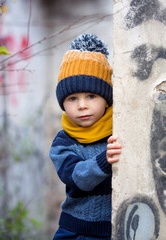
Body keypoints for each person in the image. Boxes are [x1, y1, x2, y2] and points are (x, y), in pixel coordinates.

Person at [49, 33, 121, 240]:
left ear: (106, 99)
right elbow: (78, 178)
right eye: (72, 98)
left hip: (116, 229)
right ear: (63, 104)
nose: (82, 105)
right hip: (76, 232)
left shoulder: (120, 130)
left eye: (91, 96)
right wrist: (104, 160)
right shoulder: (63, 142)